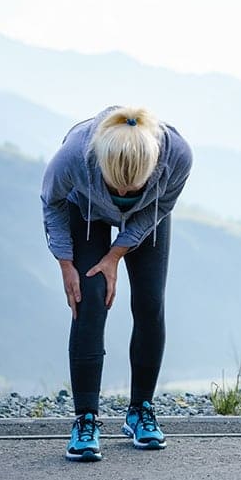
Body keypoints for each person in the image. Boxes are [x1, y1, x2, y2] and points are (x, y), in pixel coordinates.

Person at [40, 105, 192, 461]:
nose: (123, 193)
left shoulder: (178, 157)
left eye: (132, 188)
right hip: (85, 210)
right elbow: (52, 203)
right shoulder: (73, 157)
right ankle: (85, 419)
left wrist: (115, 256)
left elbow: (163, 207)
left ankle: (140, 410)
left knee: (150, 301)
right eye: (116, 186)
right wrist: (66, 263)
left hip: (148, 216)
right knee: (88, 297)